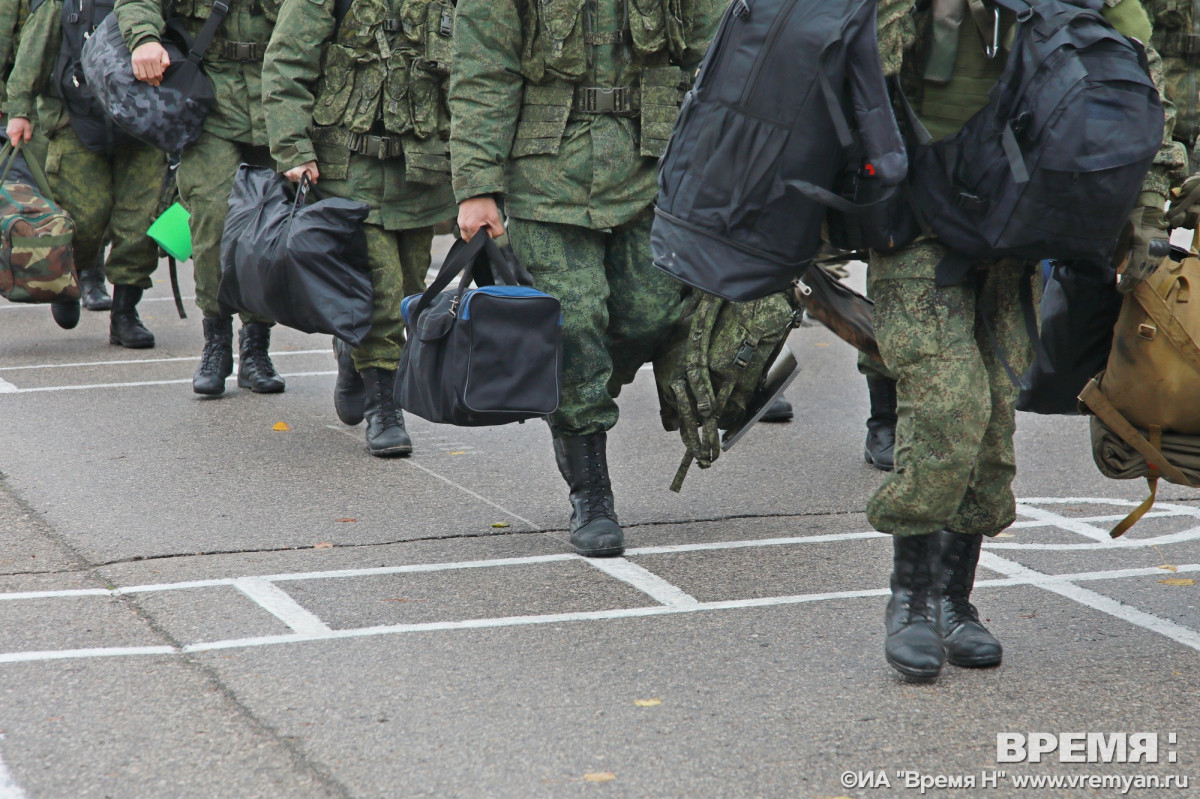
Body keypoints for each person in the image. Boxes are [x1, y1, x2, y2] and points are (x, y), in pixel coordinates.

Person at [872, 0, 1184, 680]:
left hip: (1012, 229)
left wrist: (1141, 222)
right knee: (947, 401)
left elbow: (1139, 92)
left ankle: (956, 599)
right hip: (920, 221)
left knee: (991, 420)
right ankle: (912, 600)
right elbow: (854, 76)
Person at [450, 0, 724, 556]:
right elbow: (484, 67)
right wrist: (477, 186)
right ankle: (592, 492)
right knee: (573, 325)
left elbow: (718, 51)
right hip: (547, 172)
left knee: (653, 312)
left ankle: (583, 387)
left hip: (657, 166)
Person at [261, 0, 457, 456]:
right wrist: (292, 146)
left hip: (421, 170)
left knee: (409, 290)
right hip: (348, 169)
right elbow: (288, 58)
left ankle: (354, 354)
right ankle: (384, 407)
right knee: (381, 293)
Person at [115, 0, 285, 395]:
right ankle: (217, 340)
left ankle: (256, 345)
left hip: (279, 96)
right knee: (213, 216)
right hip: (208, 95)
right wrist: (143, 38)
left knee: (267, 229)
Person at [4, 0, 165, 342]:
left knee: (138, 223)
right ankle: (68, 281)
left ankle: (125, 312)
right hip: (76, 120)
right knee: (86, 216)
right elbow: (34, 50)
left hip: (143, 123)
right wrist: (19, 110)